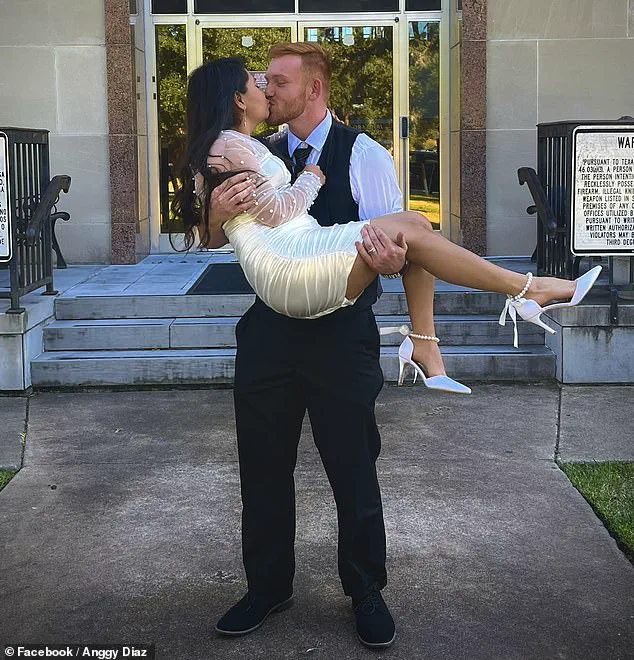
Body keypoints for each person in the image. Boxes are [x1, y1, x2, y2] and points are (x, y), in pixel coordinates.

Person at [172, 54, 601, 648]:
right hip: (270, 330)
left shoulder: (366, 154)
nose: (269, 88)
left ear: (313, 88)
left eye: (279, 81)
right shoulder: (251, 146)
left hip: (341, 330)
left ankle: (366, 591)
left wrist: (395, 265)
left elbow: (403, 248)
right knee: (262, 467)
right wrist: (214, 216)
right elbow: (215, 235)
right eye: (262, 81)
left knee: (353, 466)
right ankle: (267, 588)